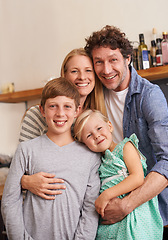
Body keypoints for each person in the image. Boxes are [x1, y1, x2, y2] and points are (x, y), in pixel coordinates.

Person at [84, 25, 168, 227]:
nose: (106, 69)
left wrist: (126, 204)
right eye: (99, 62)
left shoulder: (149, 95)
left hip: (148, 210)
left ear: (128, 58)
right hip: (106, 213)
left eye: (113, 60)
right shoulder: (94, 96)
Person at [1, 78, 101, 240]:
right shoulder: (26, 150)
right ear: (42, 110)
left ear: (77, 111)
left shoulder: (90, 156)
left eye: (67, 106)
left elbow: (90, 209)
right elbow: (9, 202)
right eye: (53, 106)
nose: (60, 113)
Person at [20, 48, 106, 200]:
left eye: (88, 70)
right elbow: (19, 169)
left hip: (80, 207)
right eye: (74, 71)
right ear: (64, 76)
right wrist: (25, 181)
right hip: (38, 205)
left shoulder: (95, 120)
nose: (82, 77)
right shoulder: (36, 115)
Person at [73, 109, 163, 240]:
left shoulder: (125, 147)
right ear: (83, 144)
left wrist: (106, 195)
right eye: (88, 136)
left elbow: (137, 178)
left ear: (109, 126)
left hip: (134, 213)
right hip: (111, 221)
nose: (96, 136)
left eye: (99, 128)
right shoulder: (98, 163)